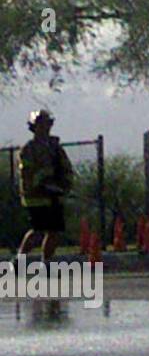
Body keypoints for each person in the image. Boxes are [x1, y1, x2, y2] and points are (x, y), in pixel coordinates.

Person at [17, 109, 74, 263]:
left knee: (54, 231)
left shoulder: (56, 148)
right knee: (37, 230)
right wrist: (42, 183)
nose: (45, 127)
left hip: (55, 196)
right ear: (33, 127)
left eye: (47, 124)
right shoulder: (28, 149)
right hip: (36, 197)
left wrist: (65, 184)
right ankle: (19, 261)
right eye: (41, 124)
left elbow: (66, 167)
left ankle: (46, 262)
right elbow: (27, 174)